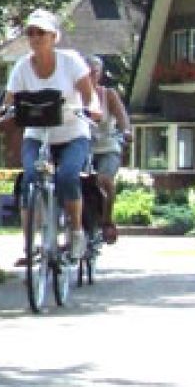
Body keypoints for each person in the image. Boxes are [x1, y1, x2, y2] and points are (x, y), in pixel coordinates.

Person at [0, 9, 96, 266]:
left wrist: (93, 108)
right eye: (31, 33)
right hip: (38, 136)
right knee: (29, 179)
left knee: (67, 176)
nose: (35, 37)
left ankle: (75, 233)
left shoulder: (71, 61)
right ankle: (29, 245)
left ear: (54, 37)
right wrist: (2, 111)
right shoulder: (21, 67)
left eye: (41, 32)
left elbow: (89, 94)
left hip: (72, 134)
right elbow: (9, 100)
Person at [85, 54, 131, 244]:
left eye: (94, 73)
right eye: (86, 73)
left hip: (107, 147)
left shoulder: (108, 95)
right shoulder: (74, 95)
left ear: (100, 74)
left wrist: (126, 131)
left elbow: (122, 117)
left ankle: (107, 221)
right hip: (83, 147)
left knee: (105, 180)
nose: (90, 77)